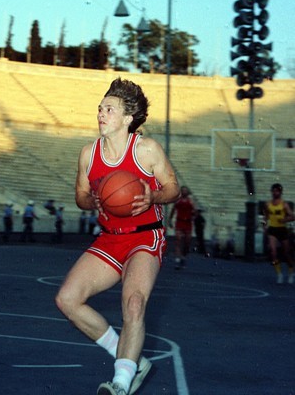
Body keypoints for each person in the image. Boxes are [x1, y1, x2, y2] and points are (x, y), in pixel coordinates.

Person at [55, 77, 180, 395]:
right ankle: (130, 359)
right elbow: (80, 196)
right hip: (110, 238)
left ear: (127, 118)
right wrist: (91, 201)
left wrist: (153, 197)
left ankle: (121, 384)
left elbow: (173, 189)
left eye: (109, 109)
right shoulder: (88, 154)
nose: (101, 113)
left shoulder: (146, 149)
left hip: (145, 237)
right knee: (67, 299)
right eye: (100, 108)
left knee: (134, 303)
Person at [263, 183, 294, 284]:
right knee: (273, 252)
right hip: (272, 229)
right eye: (273, 191)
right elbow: (265, 217)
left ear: (280, 192)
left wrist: (284, 220)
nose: (275, 193)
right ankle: (279, 274)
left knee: (286, 253)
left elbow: (293, 216)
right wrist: (264, 226)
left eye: (277, 191)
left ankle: (291, 272)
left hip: (282, 229)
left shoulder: (284, 204)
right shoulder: (268, 204)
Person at [169, 186, 195, 270]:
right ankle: (177, 259)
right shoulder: (178, 201)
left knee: (187, 242)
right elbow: (173, 210)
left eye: (185, 191)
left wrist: (193, 215)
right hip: (179, 222)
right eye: (183, 190)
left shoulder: (190, 201)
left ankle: (183, 256)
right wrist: (170, 220)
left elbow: (195, 212)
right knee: (178, 240)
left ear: (187, 192)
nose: (184, 192)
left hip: (188, 223)